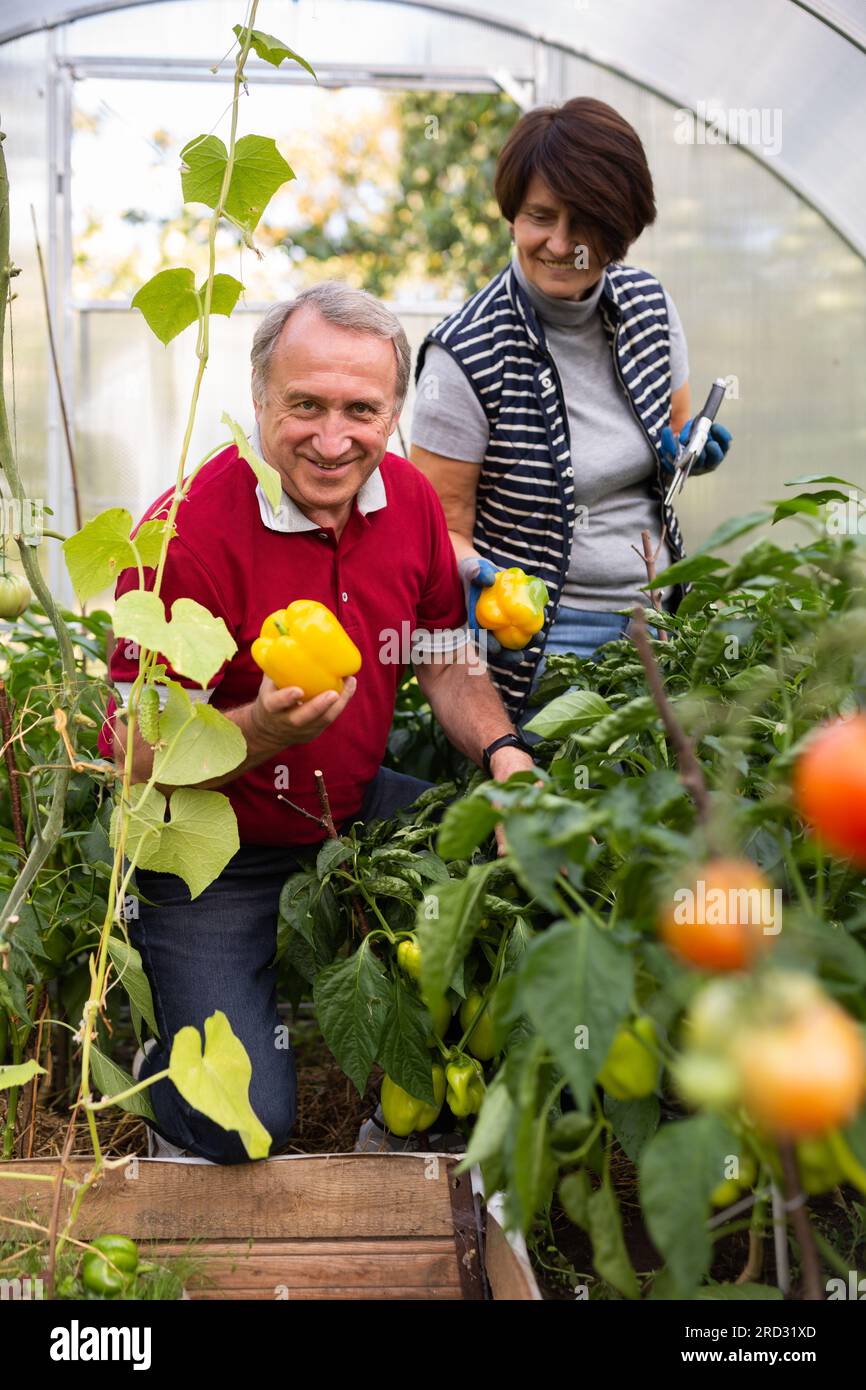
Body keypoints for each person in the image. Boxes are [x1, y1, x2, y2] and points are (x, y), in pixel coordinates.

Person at [97, 281, 535, 1164]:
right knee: (239, 1123)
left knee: (500, 885)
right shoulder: (183, 535)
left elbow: (442, 653)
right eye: (304, 405)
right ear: (259, 400)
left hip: (353, 807)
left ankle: (406, 1120)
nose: (334, 440)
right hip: (213, 844)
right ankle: (165, 1057)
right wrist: (259, 729)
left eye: (361, 410)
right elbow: (130, 753)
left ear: (394, 412)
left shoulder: (407, 501)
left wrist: (504, 753)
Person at [410, 97, 732, 719]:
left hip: (662, 613)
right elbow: (437, 528)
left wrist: (689, 449)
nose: (561, 244)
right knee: (564, 809)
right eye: (540, 217)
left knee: (659, 802)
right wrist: (485, 578)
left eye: (585, 223)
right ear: (511, 216)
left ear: (623, 225)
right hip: (542, 646)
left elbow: (670, 442)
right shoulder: (466, 354)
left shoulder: (648, 307)